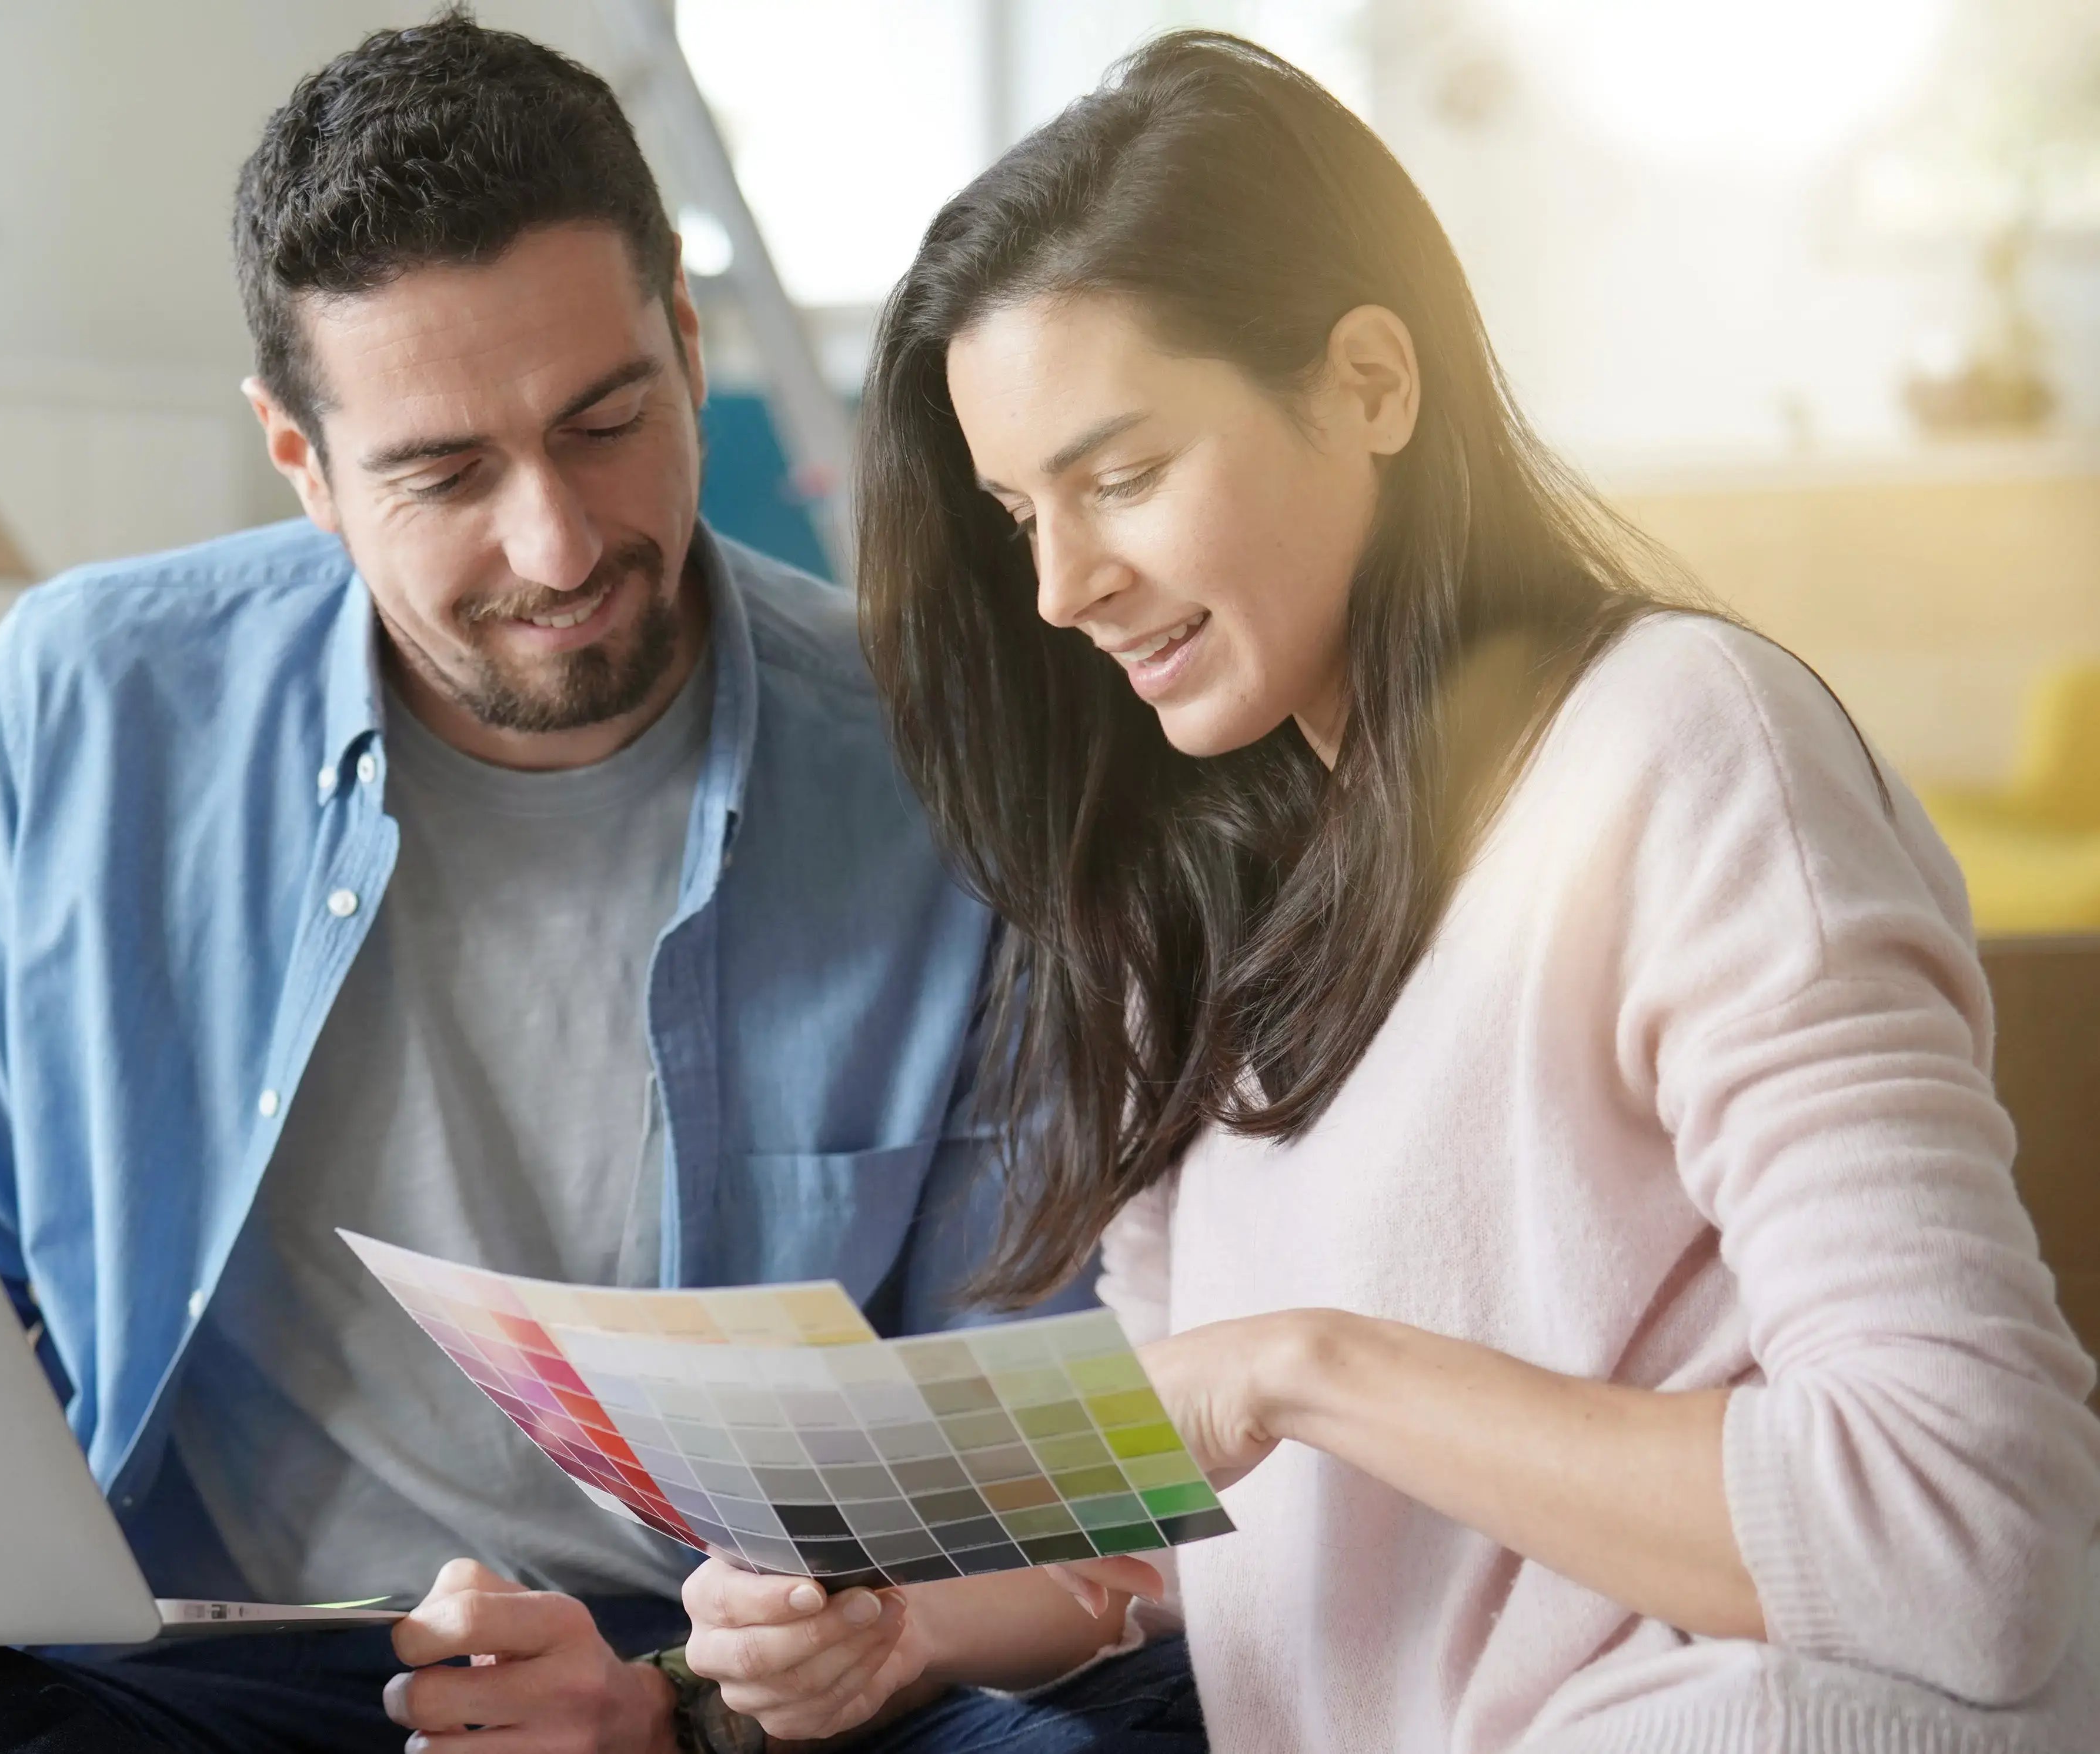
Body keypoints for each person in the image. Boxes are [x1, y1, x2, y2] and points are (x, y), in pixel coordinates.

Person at [0, 14, 1214, 1754]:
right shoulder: (83, 705)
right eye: (443, 476)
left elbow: (1021, 1472)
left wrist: (687, 1697)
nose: (557, 546)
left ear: (687, 349)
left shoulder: (950, 758)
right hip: (224, 1650)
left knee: (1152, 1722)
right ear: (299, 462)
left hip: (738, 1673)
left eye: (605, 422)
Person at [677, 28, 2100, 1753]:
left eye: (1121, 478)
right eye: (1014, 513)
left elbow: (1968, 1538)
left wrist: (1309, 1369)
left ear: (1367, 381)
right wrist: (890, 1625)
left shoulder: (1681, 752)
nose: (1057, 586)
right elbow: (1214, 1541)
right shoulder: (1196, 875)